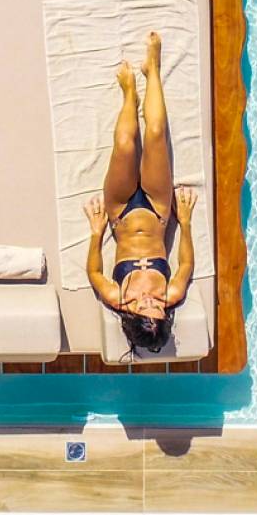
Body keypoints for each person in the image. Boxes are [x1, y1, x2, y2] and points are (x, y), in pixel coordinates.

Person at [83, 32, 197, 355]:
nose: (151, 300)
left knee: (125, 144)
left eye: (144, 307)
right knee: (155, 134)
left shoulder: (117, 297)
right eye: (157, 308)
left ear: (132, 317)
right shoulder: (172, 294)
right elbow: (185, 265)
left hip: (120, 212)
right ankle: (152, 70)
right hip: (158, 210)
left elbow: (94, 272)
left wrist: (96, 233)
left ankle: (129, 94)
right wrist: (184, 223)